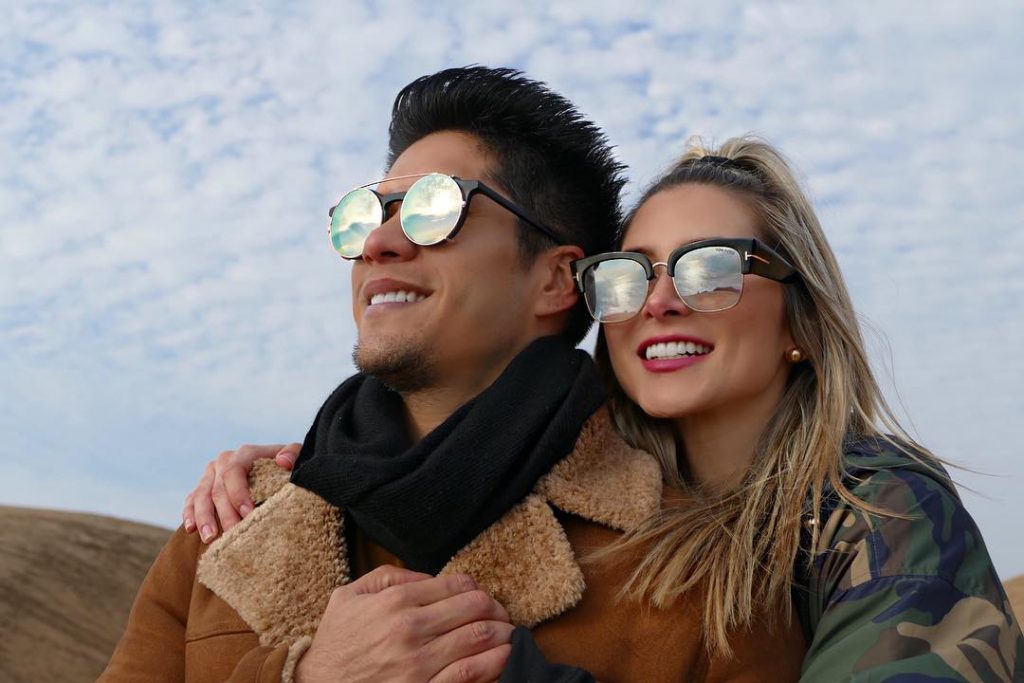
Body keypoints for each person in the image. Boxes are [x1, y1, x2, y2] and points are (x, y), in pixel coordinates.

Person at [192, 135, 1024, 681]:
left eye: (710, 269)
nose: (658, 301)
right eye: (629, 275)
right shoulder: (605, 495)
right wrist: (304, 472)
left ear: (800, 323)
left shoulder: (879, 514)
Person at [101, 68, 806, 683]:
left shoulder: (704, 579)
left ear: (557, 279)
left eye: (434, 209)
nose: (379, 243)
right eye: (364, 216)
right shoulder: (227, 525)